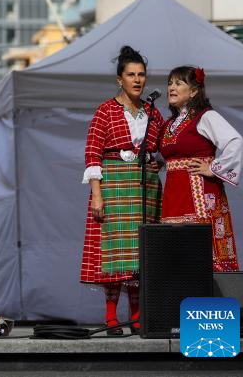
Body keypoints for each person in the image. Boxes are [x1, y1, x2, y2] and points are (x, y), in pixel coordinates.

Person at [79, 45, 164, 335]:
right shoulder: (105, 110)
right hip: (114, 183)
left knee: (140, 254)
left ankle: (137, 316)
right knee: (115, 252)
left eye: (141, 74)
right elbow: (92, 153)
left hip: (145, 188)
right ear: (120, 79)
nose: (138, 80)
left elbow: (164, 149)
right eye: (131, 75)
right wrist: (97, 195)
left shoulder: (153, 113)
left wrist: (157, 163)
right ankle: (112, 317)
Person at [159, 66, 243, 271]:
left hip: (199, 193)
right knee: (178, 259)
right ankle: (181, 301)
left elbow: (236, 143)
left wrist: (213, 168)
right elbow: (172, 154)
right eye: (170, 83)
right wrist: (159, 162)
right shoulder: (170, 123)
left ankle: (209, 301)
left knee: (205, 257)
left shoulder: (205, 116)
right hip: (174, 196)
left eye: (179, 83)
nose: (172, 87)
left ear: (194, 91)